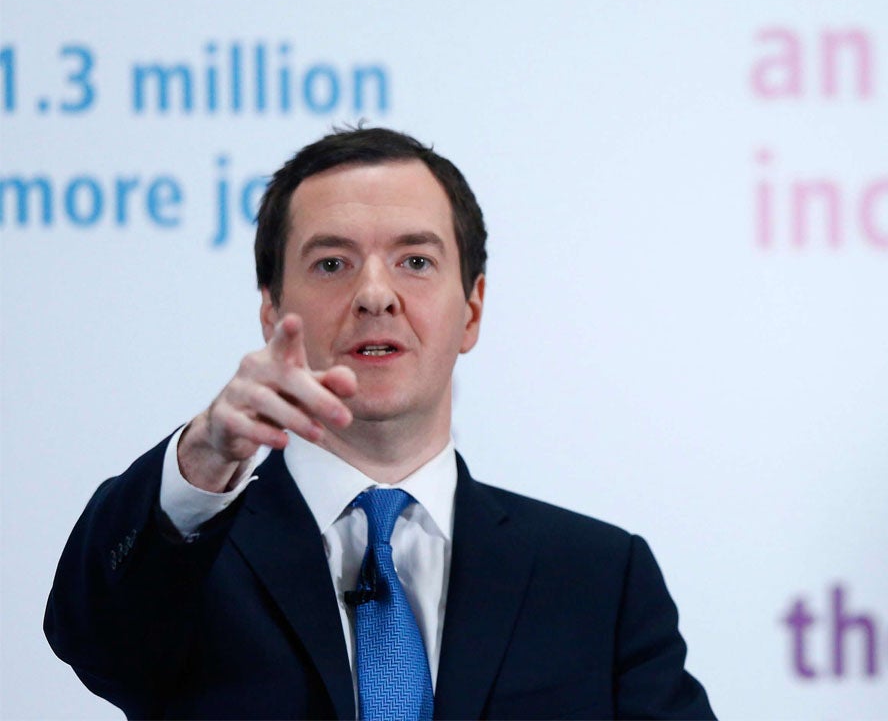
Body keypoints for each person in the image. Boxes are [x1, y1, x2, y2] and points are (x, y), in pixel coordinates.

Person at [44, 127, 716, 720]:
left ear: (472, 311)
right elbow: (90, 635)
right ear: (272, 311)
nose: (373, 294)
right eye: (331, 263)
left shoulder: (599, 580)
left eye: (415, 261)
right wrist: (202, 458)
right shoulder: (188, 560)